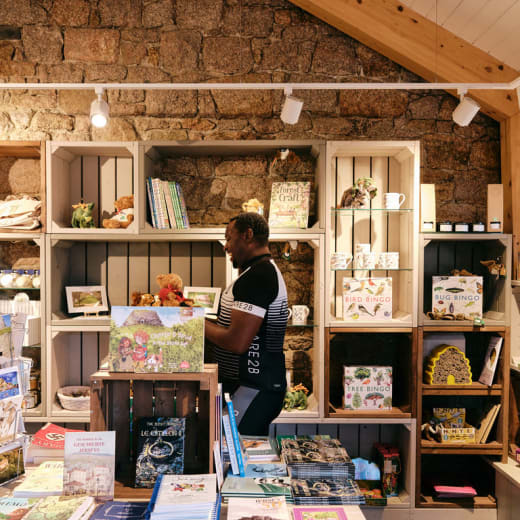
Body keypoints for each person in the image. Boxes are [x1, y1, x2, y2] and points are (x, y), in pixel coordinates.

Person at [205, 212, 289, 435]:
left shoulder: (258, 276)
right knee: (238, 454)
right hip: (254, 387)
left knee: (230, 452)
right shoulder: (259, 271)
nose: (226, 246)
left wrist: (194, 323)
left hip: (254, 387)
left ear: (248, 235)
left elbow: (238, 341)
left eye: (229, 237)